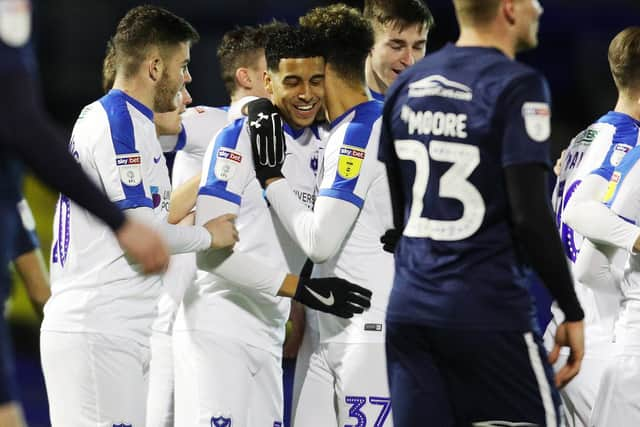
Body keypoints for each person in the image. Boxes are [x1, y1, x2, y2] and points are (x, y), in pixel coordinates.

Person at [378, 0, 585, 425]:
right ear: (509, 8)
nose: (540, 10)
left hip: (410, 311)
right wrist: (570, 308)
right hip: (486, 311)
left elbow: (399, 209)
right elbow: (530, 213)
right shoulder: (516, 84)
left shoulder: (408, 83)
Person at [39, 6, 241, 426]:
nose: (188, 77)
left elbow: (155, 212)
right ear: (154, 67)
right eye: (182, 66)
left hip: (115, 329)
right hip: (97, 328)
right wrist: (209, 237)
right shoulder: (118, 123)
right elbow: (142, 230)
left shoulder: (131, 124)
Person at [173, 24, 372, 427]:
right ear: (267, 80)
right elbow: (213, 258)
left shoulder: (330, 144)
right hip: (218, 327)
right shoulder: (238, 138)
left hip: (269, 332)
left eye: (316, 81)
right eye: (293, 81)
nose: (306, 94)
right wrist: (303, 290)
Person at [248, 5, 395, 426]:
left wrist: (271, 178)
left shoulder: (356, 133)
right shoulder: (362, 122)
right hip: (325, 328)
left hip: (365, 328)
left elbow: (319, 242)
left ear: (323, 67)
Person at [146, 24, 282, 427]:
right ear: (247, 77)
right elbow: (152, 121)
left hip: (227, 311)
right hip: (182, 312)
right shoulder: (221, 121)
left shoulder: (277, 140)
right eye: (271, 67)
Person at [545, 27, 640, 427]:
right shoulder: (627, 143)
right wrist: (634, 239)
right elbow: (581, 214)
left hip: (574, 330)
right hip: (603, 337)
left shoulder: (587, 138)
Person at [364, 0, 434, 101]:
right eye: (396, 47)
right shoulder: (338, 103)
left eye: (417, 47)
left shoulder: (433, 103)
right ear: (368, 41)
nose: (410, 61)